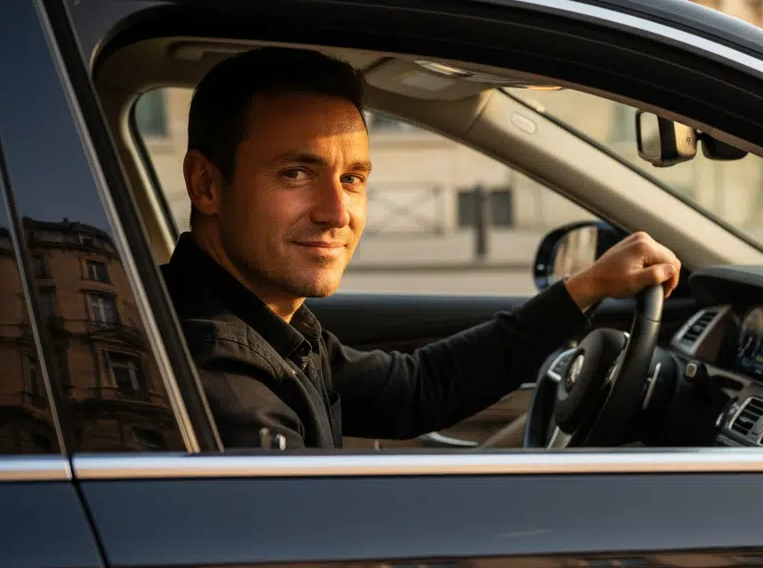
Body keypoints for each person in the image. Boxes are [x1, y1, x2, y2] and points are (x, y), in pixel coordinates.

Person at [161, 47, 682, 449]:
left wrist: (586, 287)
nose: (336, 212)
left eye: (352, 179)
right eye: (296, 173)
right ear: (206, 185)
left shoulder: (260, 324)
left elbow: (416, 390)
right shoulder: (224, 380)